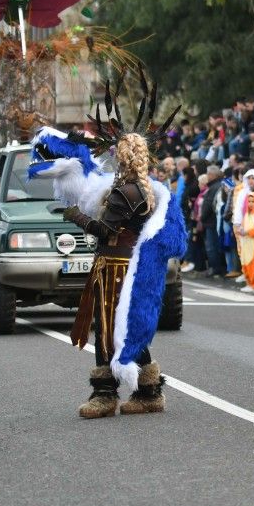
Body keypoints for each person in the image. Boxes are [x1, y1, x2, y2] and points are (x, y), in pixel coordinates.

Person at [62, 129, 186, 419]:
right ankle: (148, 390)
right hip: (124, 262)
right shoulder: (142, 188)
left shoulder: (127, 192)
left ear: (123, 157)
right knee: (125, 327)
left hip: (116, 265)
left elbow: (105, 230)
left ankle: (105, 394)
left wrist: (74, 215)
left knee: (107, 328)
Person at [234, 168, 254, 294]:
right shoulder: (243, 192)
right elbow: (238, 210)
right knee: (245, 257)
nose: (251, 181)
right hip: (244, 227)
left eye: (253, 178)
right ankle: (249, 279)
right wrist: (238, 225)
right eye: (249, 178)